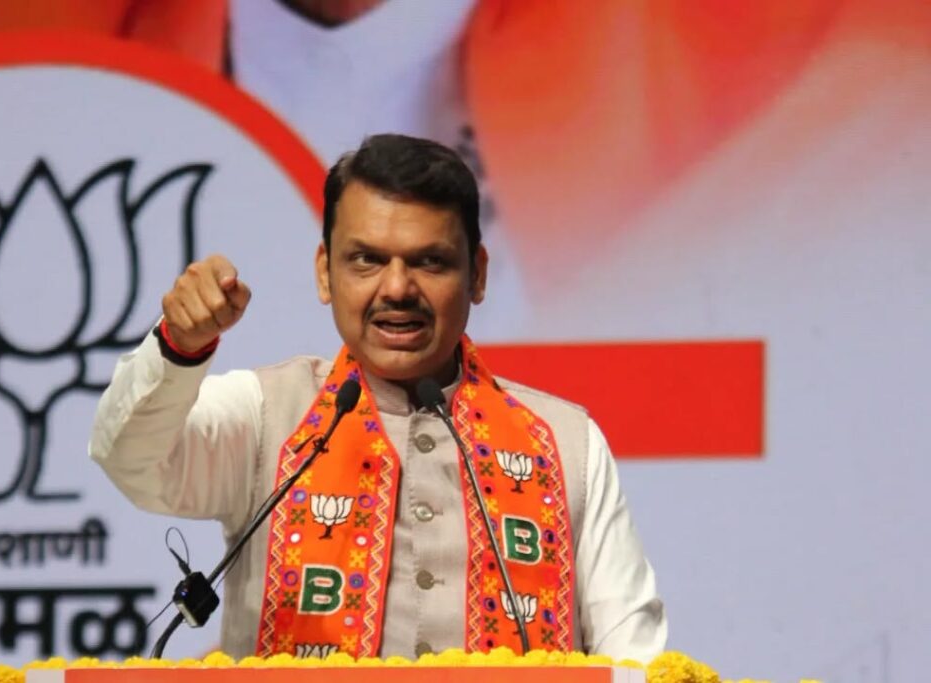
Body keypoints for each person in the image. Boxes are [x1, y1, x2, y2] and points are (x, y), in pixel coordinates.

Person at [89, 133, 666, 661]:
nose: (396, 288)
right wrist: (179, 347)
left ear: (478, 275)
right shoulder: (265, 416)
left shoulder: (564, 445)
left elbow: (636, 658)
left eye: (430, 261)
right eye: (366, 259)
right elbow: (131, 459)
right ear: (325, 272)